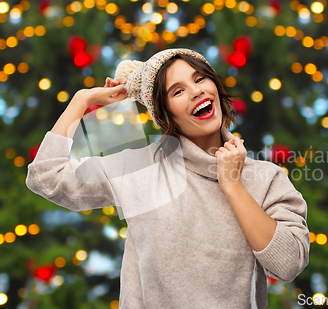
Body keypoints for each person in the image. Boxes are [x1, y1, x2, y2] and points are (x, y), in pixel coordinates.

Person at [26, 48, 310, 308]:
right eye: (178, 91)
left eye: (200, 79)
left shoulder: (265, 178)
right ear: (166, 116)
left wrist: (232, 185)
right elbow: (47, 177)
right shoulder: (141, 169)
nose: (196, 91)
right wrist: (81, 100)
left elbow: (288, 264)